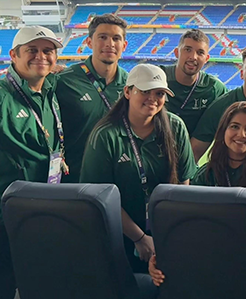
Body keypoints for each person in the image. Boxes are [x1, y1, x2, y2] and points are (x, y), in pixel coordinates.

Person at [0, 26, 64, 299]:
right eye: (32, 50)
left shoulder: (50, 87)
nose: (40, 57)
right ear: (13, 55)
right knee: (2, 284)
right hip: (6, 210)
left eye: (47, 51)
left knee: (38, 280)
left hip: (42, 204)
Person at [149, 101, 246, 292]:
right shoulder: (207, 172)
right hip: (216, 254)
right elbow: (190, 223)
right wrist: (160, 257)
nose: (241, 135)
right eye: (234, 127)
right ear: (223, 131)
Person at [81, 64, 197, 272]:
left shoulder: (175, 126)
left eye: (159, 93)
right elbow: (101, 197)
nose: (152, 98)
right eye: (144, 91)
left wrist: (169, 232)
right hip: (118, 235)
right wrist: (139, 237)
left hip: (167, 232)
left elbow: (183, 183)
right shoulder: (106, 135)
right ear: (127, 91)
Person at [56, 14, 129, 182]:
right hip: (75, 178)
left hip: (118, 177)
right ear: (89, 42)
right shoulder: (65, 80)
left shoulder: (131, 84)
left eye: (116, 38)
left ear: (123, 45)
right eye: (103, 37)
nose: (110, 44)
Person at [161, 29, 227, 134]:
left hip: (193, 148)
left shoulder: (214, 88)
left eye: (200, 53)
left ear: (206, 59)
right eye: (187, 50)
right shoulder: (158, 76)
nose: (193, 57)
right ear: (177, 53)